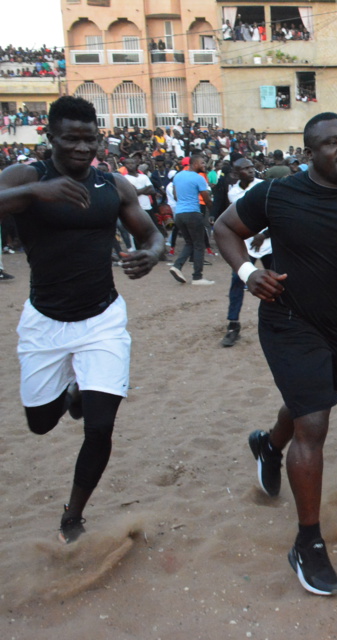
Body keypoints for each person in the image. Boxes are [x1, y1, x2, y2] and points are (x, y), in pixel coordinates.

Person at [213, 112, 337, 596]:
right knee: (315, 423)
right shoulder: (277, 193)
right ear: (310, 153)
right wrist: (248, 273)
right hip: (287, 321)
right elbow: (224, 229)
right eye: (332, 143)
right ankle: (307, 542)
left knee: (313, 404)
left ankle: (267, 444)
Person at [0, 95, 163, 543]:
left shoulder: (113, 185)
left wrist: (149, 255)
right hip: (45, 320)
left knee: (100, 427)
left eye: (89, 138)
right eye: (70, 138)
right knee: (40, 423)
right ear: (49, 136)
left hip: (102, 319)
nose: (81, 147)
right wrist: (35, 193)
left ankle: (74, 514)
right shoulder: (28, 176)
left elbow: (153, 235)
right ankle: (72, 389)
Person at [221, 158, 265, 347]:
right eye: (245, 169)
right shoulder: (233, 193)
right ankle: (233, 325)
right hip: (246, 246)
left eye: (252, 167)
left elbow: (276, 216)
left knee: (284, 280)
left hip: (270, 244)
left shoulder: (263, 187)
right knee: (237, 283)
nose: (251, 171)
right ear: (235, 174)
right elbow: (235, 222)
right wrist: (253, 234)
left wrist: (264, 235)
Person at [169, 153, 214, 285]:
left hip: (179, 214)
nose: (205, 165)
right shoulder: (199, 178)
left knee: (190, 243)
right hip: (193, 213)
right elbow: (206, 198)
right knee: (199, 245)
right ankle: (197, 277)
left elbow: (175, 196)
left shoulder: (178, 176)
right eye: (202, 163)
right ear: (194, 164)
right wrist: (212, 209)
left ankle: (177, 266)